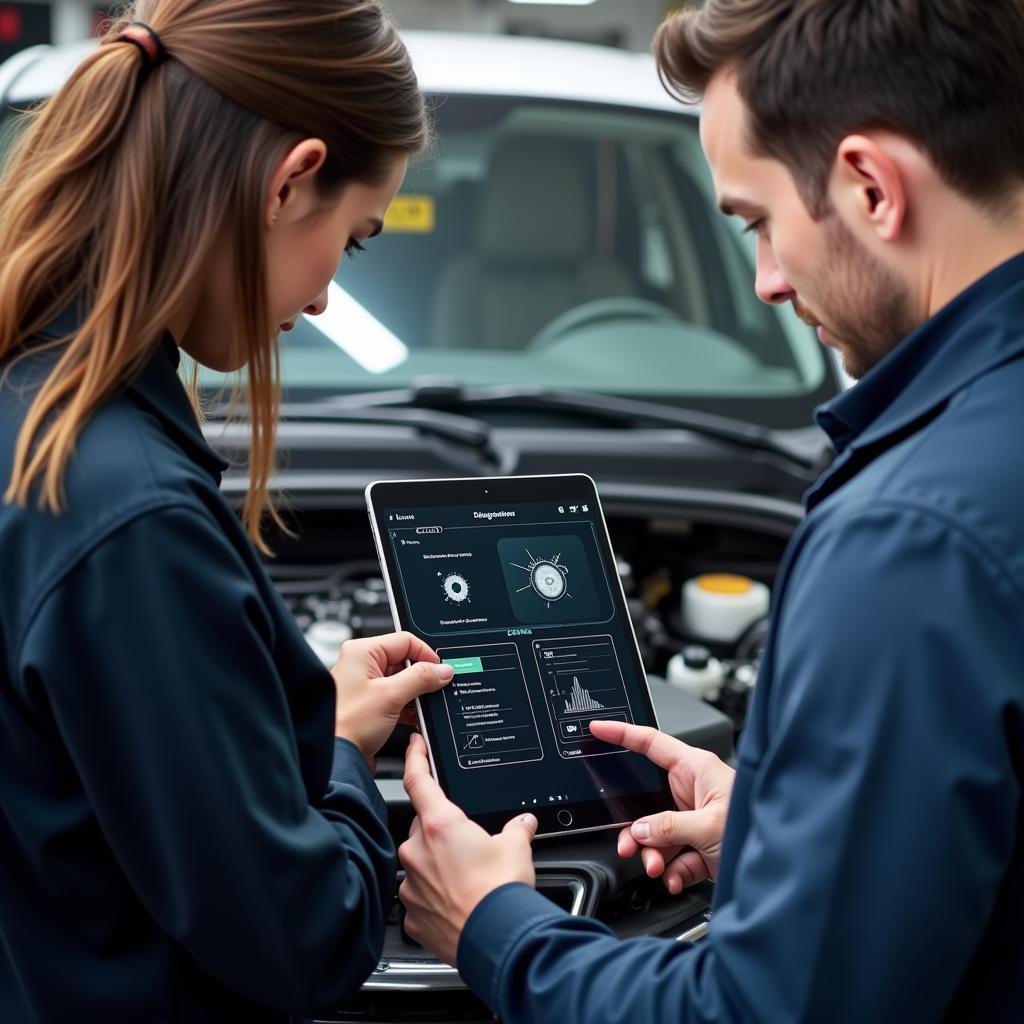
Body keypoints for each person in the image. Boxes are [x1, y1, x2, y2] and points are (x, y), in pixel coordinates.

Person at [397, 2, 1024, 1020]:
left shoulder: (909, 541)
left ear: (871, 186)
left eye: (756, 221)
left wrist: (493, 925)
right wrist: (792, 837)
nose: (768, 281)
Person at [0, 2, 452, 1021]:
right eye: (356, 238)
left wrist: (302, 722)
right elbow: (303, 938)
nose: (332, 297)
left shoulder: (30, 412)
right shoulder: (130, 516)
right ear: (290, 180)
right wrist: (336, 761)